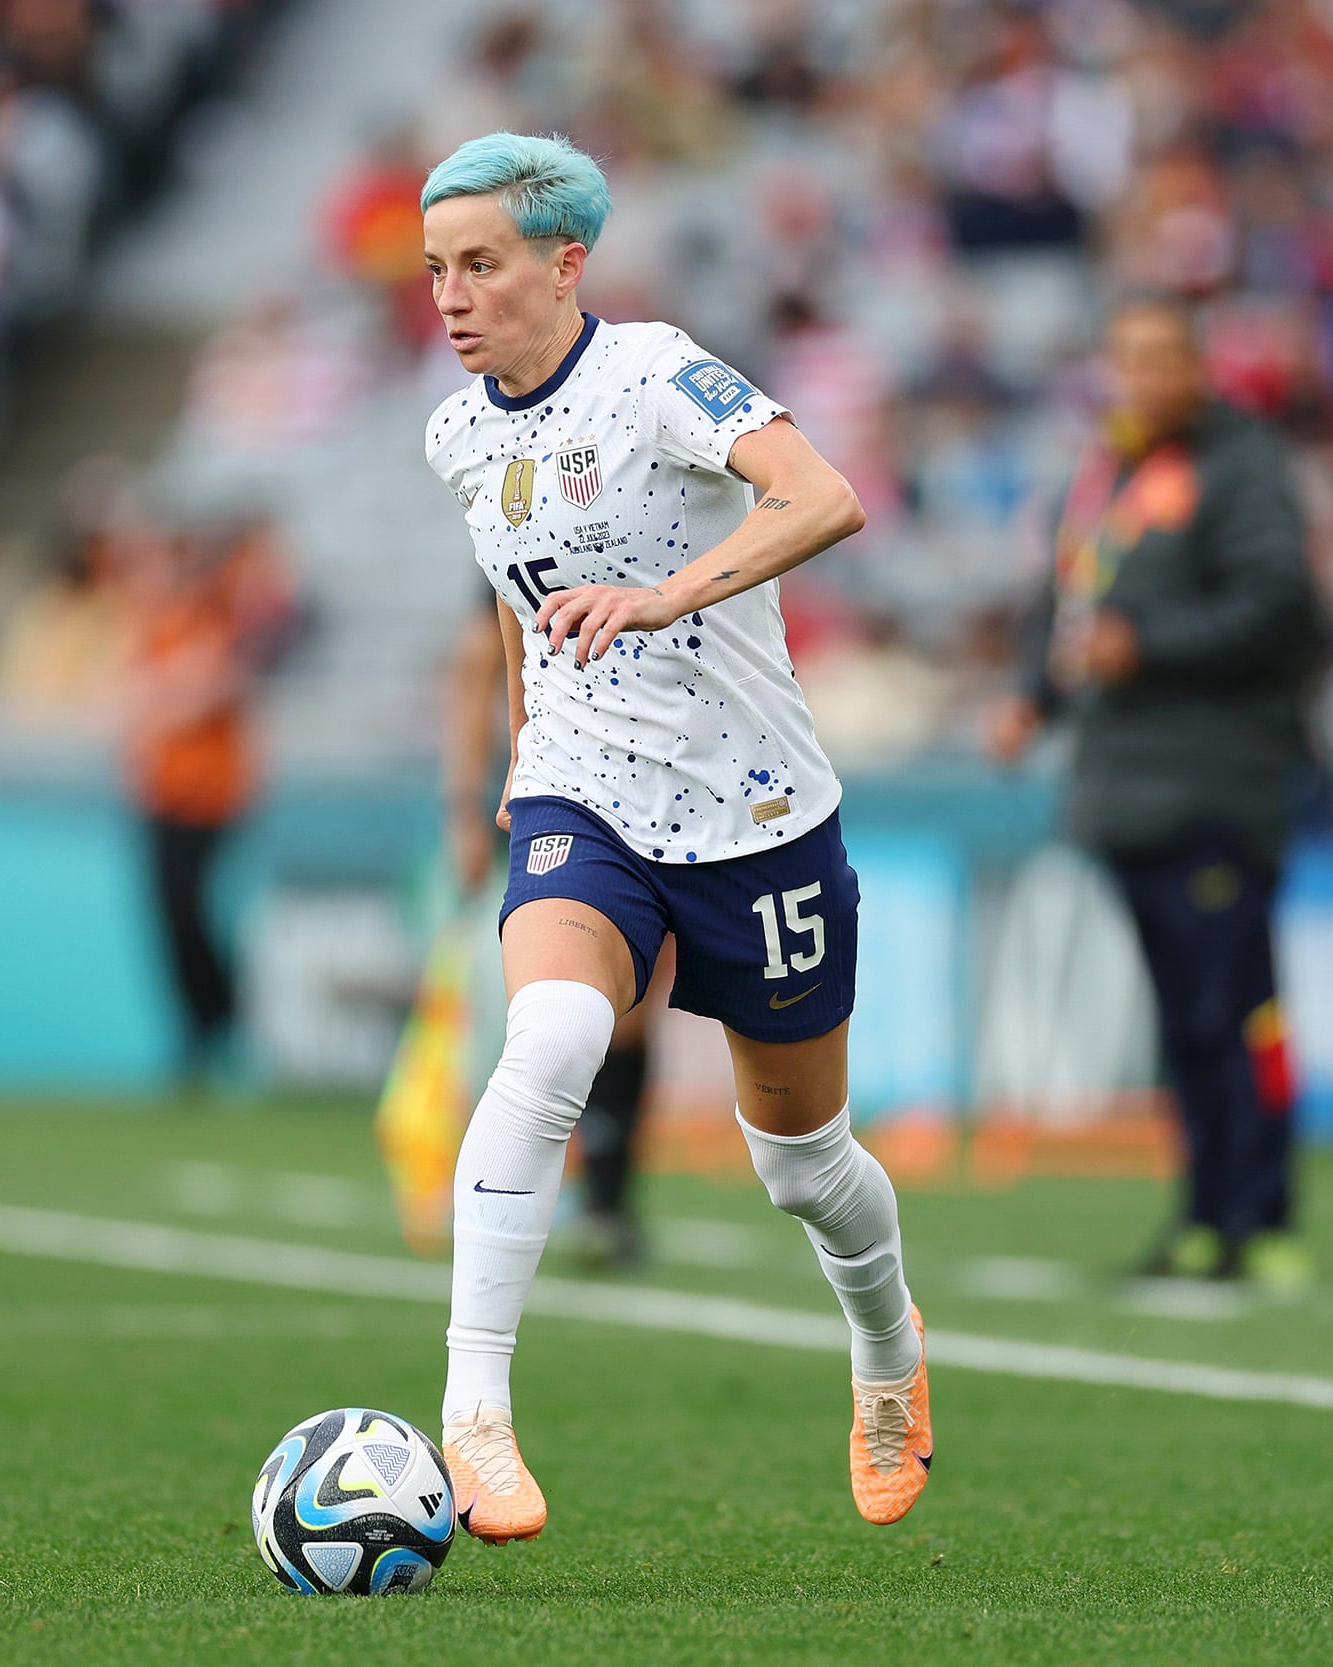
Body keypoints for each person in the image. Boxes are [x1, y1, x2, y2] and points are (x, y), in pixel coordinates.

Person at [420, 131, 929, 1543]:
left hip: (757, 812)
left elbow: (823, 493)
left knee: (803, 1162)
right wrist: (519, 771)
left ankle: (887, 1353)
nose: (452, 297)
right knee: (555, 1039)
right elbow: (521, 621)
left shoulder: (655, 372)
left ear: (563, 261)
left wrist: (661, 594)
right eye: (436, 270)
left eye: (482, 264)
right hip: (581, 798)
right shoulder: (458, 432)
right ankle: (475, 1413)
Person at [986, 294, 1325, 1288]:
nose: (1139, 376)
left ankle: (1260, 1216)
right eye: (1124, 357)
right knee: (1184, 1018)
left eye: (1159, 356)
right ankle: (1201, 1212)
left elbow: (1281, 608)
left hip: (1217, 783)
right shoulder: (1102, 476)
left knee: (1235, 1006)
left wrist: (1152, 647)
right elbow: (1066, 610)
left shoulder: (1242, 468)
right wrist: (1030, 698)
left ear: (1197, 365)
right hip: (1128, 788)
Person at [444, 604, 668, 1269]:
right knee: (547, 1007)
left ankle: (604, 1196)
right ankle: (514, 1196)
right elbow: (479, 662)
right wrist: (463, 803)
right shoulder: (521, 511)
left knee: (627, 1012)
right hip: (555, 795)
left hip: (659, 783)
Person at [123, 513, 295, 1084]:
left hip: (210, 797)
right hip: (163, 794)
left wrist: (163, 696)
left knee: (194, 912)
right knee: (170, 916)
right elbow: (138, 699)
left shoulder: (210, 618)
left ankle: (222, 1018)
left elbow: (201, 691)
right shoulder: (160, 627)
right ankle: (203, 1027)